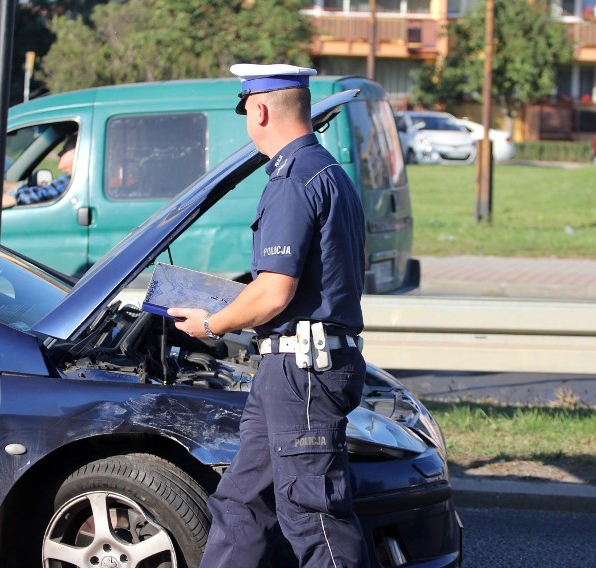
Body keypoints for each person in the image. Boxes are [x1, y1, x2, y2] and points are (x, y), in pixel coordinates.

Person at [168, 64, 369, 568]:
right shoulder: (327, 172)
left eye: (246, 113)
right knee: (242, 506)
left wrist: (212, 325)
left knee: (313, 517)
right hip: (292, 369)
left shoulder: (292, 179)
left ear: (258, 110)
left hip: (301, 373)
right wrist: (232, 306)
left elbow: (276, 292)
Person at [0, 133, 77, 228]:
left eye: (64, 150)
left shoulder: (70, 180)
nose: (59, 153)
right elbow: (32, 188)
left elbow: (37, 194)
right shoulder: (72, 179)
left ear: (75, 154)